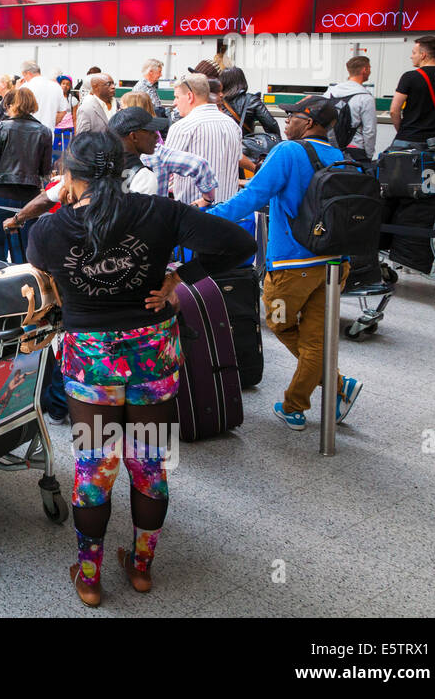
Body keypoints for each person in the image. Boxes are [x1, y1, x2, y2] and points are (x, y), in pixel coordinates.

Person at [27, 130, 255, 608]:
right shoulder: (160, 212)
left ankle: (89, 578)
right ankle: (142, 568)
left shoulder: (50, 229)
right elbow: (238, 244)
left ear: (70, 176)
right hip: (152, 352)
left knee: (94, 466)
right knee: (150, 465)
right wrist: (178, 278)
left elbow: (44, 277)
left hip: (90, 360)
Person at [207, 96, 364, 432]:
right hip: (335, 264)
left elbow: (251, 198)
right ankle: (311, 397)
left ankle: (322, 391)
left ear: (307, 122)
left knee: (278, 322)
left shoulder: (287, 152)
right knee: (315, 339)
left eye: (290, 116)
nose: (285, 122)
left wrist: (207, 219)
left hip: (293, 266)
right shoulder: (339, 157)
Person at [0, 86, 52, 262]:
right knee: (24, 247)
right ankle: (23, 285)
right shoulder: (44, 132)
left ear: (11, 105)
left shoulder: (1, 128)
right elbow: (45, 170)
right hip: (29, 196)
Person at [109, 107, 218, 204]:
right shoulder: (146, 173)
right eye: (150, 132)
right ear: (134, 137)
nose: (157, 137)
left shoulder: (101, 163)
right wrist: (207, 199)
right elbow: (198, 164)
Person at [164, 73, 243, 205]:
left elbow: (164, 169)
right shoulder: (232, 125)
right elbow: (237, 160)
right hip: (229, 212)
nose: (174, 103)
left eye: (177, 97)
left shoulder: (182, 127)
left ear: (189, 96)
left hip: (194, 212)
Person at [388, 35, 435, 150]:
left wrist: (402, 132)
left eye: (414, 53)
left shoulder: (409, 77)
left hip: (408, 138)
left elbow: (394, 110)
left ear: (423, 55)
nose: (411, 56)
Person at [324, 56, 378, 157]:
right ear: (364, 70)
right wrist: (369, 155)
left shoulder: (330, 93)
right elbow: (369, 131)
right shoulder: (365, 98)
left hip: (330, 147)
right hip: (355, 150)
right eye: (369, 68)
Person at [219, 67, 279, 136]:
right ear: (242, 81)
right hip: (245, 144)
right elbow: (271, 125)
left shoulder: (217, 101)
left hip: (222, 143)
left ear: (222, 83)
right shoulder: (251, 100)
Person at [19, 61, 67, 140]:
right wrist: (51, 122)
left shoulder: (25, 87)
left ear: (28, 73)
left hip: (27, 135)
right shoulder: (56, 87)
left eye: (24, 76)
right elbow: (63, 111)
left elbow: (17, 111)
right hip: (48, 134)